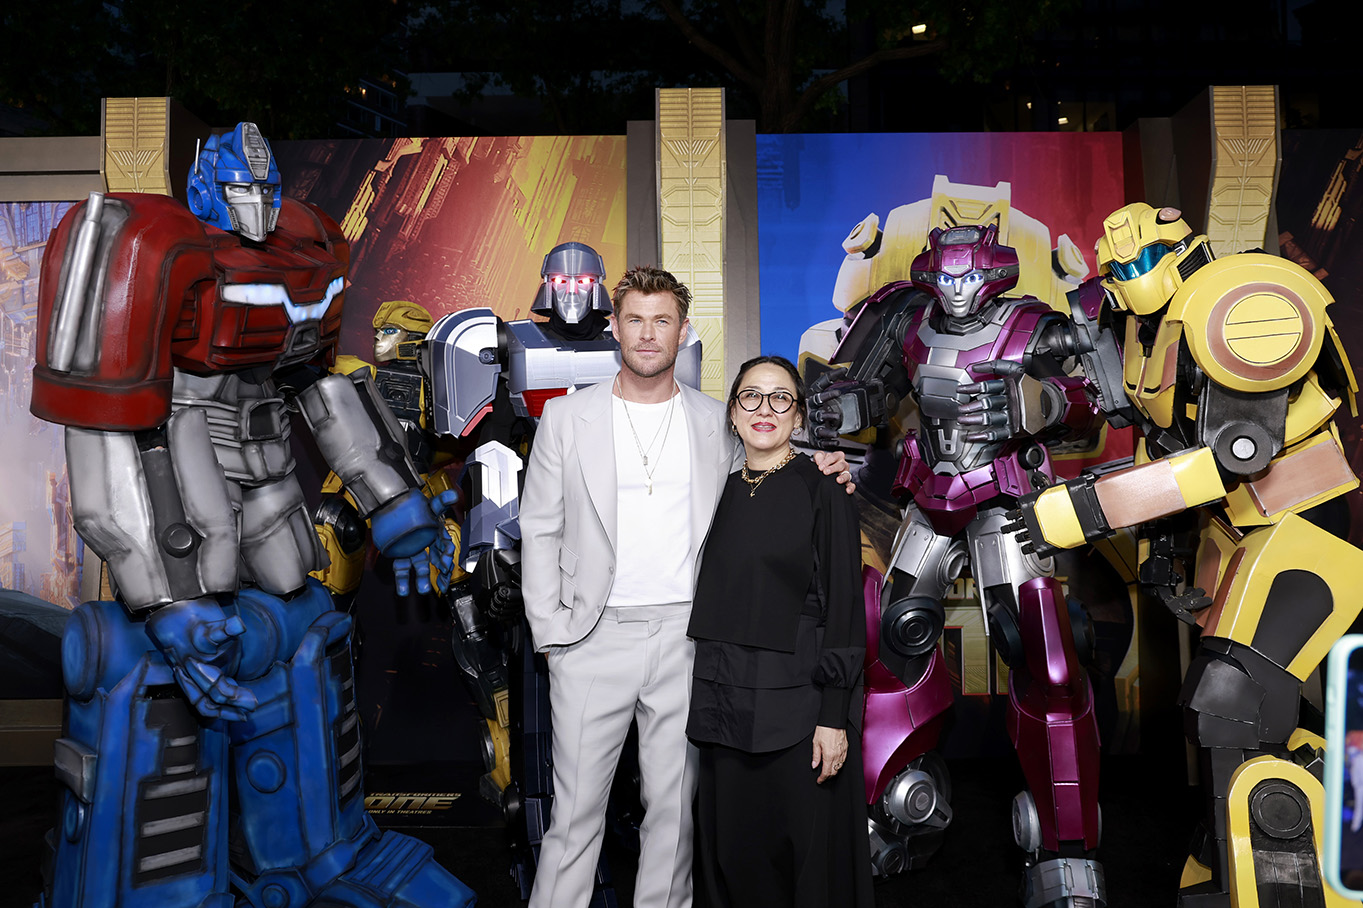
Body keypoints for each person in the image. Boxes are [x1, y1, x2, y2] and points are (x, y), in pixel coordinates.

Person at [519, 266, 851, 908]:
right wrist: (553, 632)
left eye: (662, 320)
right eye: (635, 319)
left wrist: (820, 461)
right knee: (573, 820)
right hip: (591, 639)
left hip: (688, 642)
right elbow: (539, 528)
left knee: (672, 823)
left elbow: (769, 457)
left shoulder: (712, 422)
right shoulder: (565, 419)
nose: (648, 334)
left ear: (683, 331)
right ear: (613, 327)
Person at [688, 355, 873, 908]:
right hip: (722, 706)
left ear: (798, 418)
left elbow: (844, 605)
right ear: (733, 413)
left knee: (805, 863)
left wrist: (833, 717)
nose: (764, 409)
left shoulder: (825, 488)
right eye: (750, 396)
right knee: (734, 857)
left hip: (798, 713)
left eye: (780, 398)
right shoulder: (713, 491)